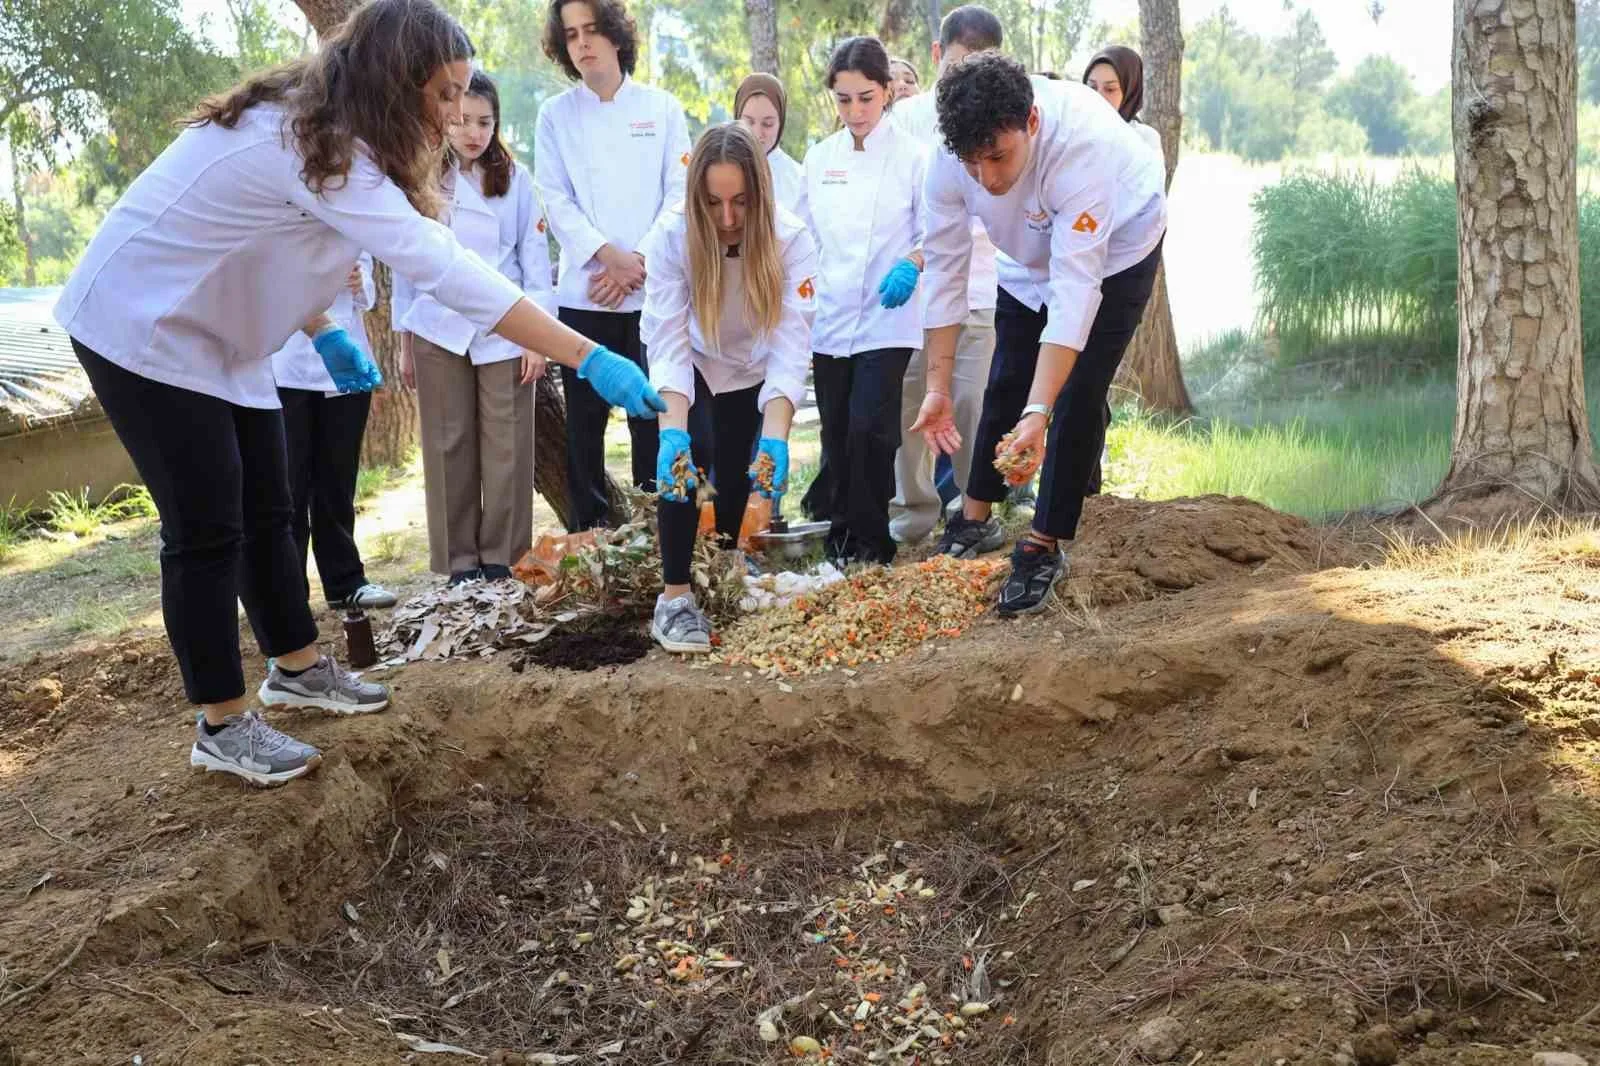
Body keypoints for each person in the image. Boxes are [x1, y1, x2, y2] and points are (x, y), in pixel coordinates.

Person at [53, 0, 664, 786]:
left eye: (460, 94)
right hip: (141, 327)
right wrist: (587, 356)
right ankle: (223, 722)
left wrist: (317, 325)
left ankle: (298, 667)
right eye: (442, 94)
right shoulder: (321, 146)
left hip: (218, 332)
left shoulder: (330, 134)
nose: (452, 114)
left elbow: (257, 242)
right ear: (394, 82)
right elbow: (441, 267)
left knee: (272, 504)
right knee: (207, 526)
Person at [912, 53, 1166, 614]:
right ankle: (973, 518)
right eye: (972, 163)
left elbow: (1077, 289)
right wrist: (937, 387)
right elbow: (947, 269)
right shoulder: (948, 158)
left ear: (1030, 122)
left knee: (1075, 396)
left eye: (998, 158)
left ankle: (1042, 543)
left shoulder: (1084, 144)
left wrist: (1039, 413)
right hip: (1024, 260)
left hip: (1118, 250)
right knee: (1006, 381)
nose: (988, 178)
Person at [641, 123, 817, 653]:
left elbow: (792, 341)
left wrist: (779, 434)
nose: (728, 219)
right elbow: (668, 339)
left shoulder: (792, 240)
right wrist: (671, 429)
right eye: (714, 204)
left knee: (741, 463)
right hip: (692, 354)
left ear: (760, 194)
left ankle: (722, 568)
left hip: (752, 361)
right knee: (688, 461)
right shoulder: (671, 236)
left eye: (740, 202)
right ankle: (673, 599)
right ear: (696, 199)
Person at [395, 70, 554, 586]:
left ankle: (503, 558)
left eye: (485, 122)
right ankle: (458, 561)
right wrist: (404, 340)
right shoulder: (421, 177)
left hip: (507, 325)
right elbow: (405, 263)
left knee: (508, 445)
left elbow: (535, 262)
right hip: (437, 325)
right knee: (448, 442)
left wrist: (539, 337)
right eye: (463, 120)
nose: (474, 132)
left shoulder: (516, 179)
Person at [536, 0, 690, 531]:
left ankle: (657, 530)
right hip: (586, 296)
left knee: (651, 418)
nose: (582, 43)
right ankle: (590, 537)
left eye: (592, 30)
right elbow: (555, 200)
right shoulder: (554, 115)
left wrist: (639, 260)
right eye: (572, 34)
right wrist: (607, 257)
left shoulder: (664, 107)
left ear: (616, 34)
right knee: (584, 429)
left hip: (650, 293)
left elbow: (679, 195)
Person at [798, 36, 926, 566]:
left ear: (889, 91)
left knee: (870, 430)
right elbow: (801, 238)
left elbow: (936, 231)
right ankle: (840, 539)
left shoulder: (915, 158)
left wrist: (912, 263)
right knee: (835, 434)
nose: (855, 111)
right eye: (844, 99)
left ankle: (874, 543)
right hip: (829, 319)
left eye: (866, 98)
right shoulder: (819, 158)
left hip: (886, 316)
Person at [886, 4, 1004, 548]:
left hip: (977, 285)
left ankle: (973, 509)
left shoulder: (1001, 111)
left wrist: (924, 256)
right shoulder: (907, 120)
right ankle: (912, 517)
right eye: (957, 63)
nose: (966, 76)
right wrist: (911, 259)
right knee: (912, 401)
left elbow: (985, 216)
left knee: (969, 401)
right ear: (937, 56)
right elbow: (904, 207)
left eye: (979, 63)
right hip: (913, 298)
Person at [269, 253, 398, 613]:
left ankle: (345, 582)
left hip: (347, 362)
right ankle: (287, 595)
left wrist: (360, 283)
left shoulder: (353, 217)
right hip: (288, 365)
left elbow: (368, 294)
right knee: (289, 486)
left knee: (337, 481)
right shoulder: (281, 216)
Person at [734, 73, 804, 213]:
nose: (757, 134)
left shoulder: (798, 179)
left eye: (768, 124)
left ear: (781, 123)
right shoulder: (718, 167)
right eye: (749, 122)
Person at [1084, 46, 1164, 159]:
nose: (1099, 96)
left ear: (1130, 93)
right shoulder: (1071, 133)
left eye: (1110, 89)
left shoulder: (1144, 139)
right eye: (1092, 87)